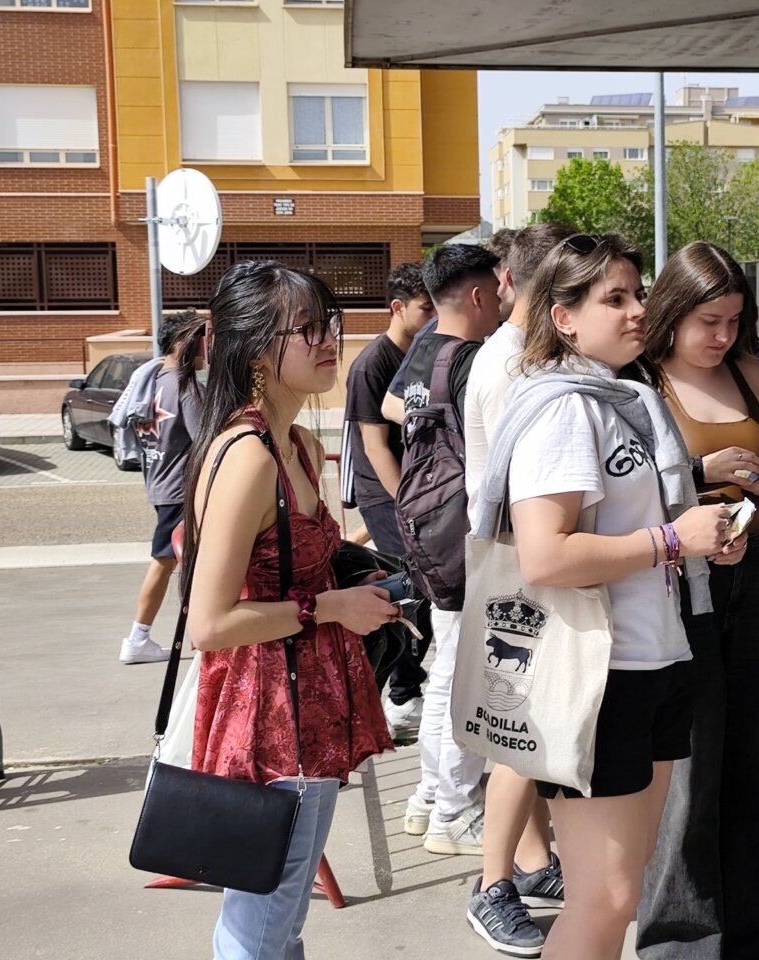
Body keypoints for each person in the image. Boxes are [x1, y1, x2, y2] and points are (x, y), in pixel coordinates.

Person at [485, 233, 732, 960]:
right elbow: (546, 554)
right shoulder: (564, 408)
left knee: (612, 896)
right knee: (608, 897)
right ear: (563, 317)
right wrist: (672, 543)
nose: (637, 311)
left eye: (639, 293)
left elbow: (641, 529)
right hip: (598, 676)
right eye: (614, 299)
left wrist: (699, 538)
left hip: (654, 659)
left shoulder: (622, 398)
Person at [183, 260, 397, 960]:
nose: (329, 340)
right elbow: (208, 624)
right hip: (271, 713)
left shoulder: (300, 444)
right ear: (252, 349)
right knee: (263, 925)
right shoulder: (249, 455)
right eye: (306, 328)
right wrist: (331, 606)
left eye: (328, 325)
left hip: (309, 702)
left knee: (274, 917)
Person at [636, 241, 759, 960]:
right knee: (690, 777)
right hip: (676, 585)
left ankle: (751, 942)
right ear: (672, 312)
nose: (723, 336)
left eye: (734, 320)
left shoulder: (749, 370)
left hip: (756, 571)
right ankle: (680, 945)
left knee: (758, 764)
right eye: (709, 320)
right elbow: (622, 492)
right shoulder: (636, 381)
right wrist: (701, 473)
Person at [463, 222, 576, 956]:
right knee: (517, 735)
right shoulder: (514, 364)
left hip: (514, 559)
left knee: (522, 731)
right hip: (516, 563)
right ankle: (490, 885)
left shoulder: (518, 354)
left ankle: (530, 866)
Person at [386, 245, 503, 855]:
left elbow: (390, 405)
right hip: (462, 531)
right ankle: (455, 812)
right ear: (481, 296)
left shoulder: (425, 346)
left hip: (427, 527)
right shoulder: (475, 360)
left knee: (444, 674)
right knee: (464, 676)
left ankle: (429, 798)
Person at [341, 262, 435, 739]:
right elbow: (376, 445)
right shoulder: (371, 364)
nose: (435, 313)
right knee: (410, 594)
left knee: (421, 593)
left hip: (415, 494)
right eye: (426, 306)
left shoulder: (423, 353)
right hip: (388, 495)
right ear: (397, 308)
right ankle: (400, 698)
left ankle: (400, 694)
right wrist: (408, 501)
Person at [119, 309, 207, 664]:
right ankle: (138, 636)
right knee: (166, 561)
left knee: (183, 562)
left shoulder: (151, 382)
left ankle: (190, 634)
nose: (208, 345)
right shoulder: (184, 386)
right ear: (185, 342)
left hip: (160, 483)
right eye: (203, 337)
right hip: (181, 490)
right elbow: (207, 440)